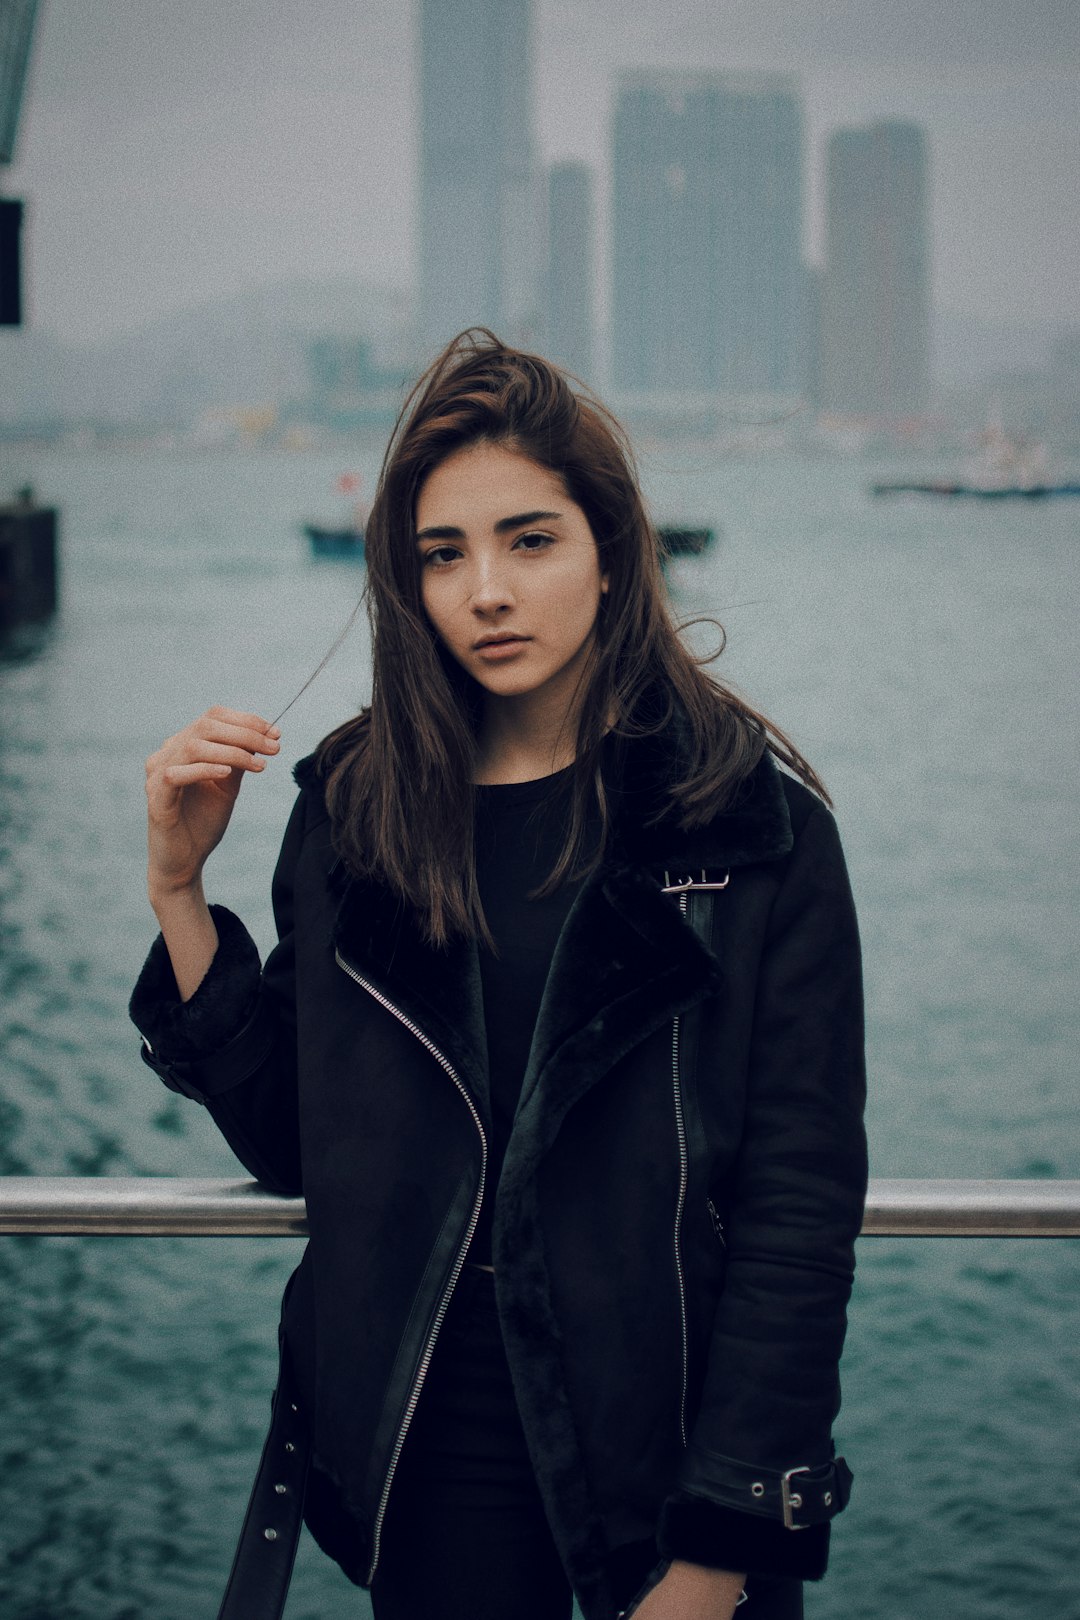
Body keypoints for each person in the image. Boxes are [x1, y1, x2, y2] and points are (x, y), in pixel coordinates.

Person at [130, 330, 867, 1620]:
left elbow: (800, 1206)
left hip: (664, 1456)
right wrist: (183, 891)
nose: (485, 592)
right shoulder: (358, 812)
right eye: (442, 553)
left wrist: (720, 1545)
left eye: (530, 540)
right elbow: (304, 1144)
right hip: (427, 1459)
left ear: (611, 549)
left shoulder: (750, 825)